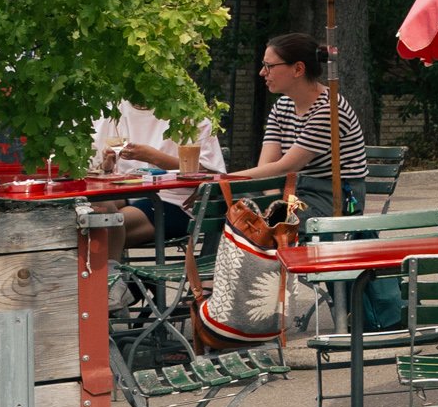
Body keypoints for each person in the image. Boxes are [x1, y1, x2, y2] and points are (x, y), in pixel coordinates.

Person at [212, 32, 371, 220]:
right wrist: (272, 204)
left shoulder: (330, 110)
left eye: (269, 66)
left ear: (298, 69)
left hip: (331, 200)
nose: (262, 72)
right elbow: (267, 168)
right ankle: (220, 250)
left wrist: (221, 181)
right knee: (222, 201)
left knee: (230, 199)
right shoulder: (282, 107)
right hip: (293, 194)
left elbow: (284, 167)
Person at [92, 102, 225, 248]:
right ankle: (106, 267)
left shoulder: (190, 113)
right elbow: (95, 168)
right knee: (94, 211)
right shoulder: (115, 108)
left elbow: (212, 172)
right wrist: (107, 166)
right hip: (129, 192)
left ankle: (109, 269)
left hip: (175, 200)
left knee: (103, 227)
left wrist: (153, 157)